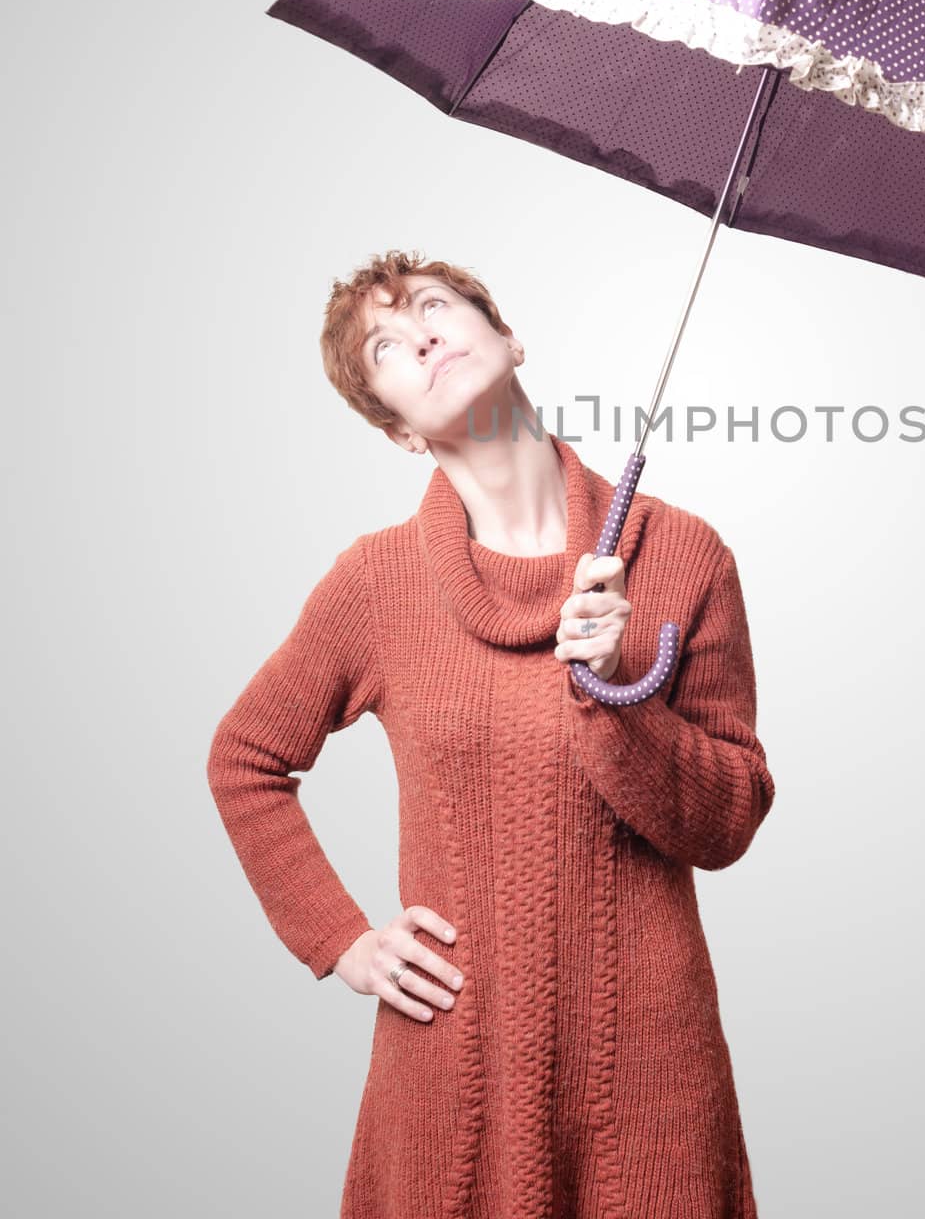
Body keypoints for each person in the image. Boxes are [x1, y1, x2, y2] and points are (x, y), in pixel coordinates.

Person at [205, 247, 775, 1218]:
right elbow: (245, 760)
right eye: (385, 344)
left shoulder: (683, 557)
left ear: (508, 336)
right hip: (452, 1067)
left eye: (434, 305)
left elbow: (727, 822)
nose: (421, 334)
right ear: (395, 431)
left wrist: (615, 689)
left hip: (646, 1075)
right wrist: (341, 940)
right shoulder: (375, 583)